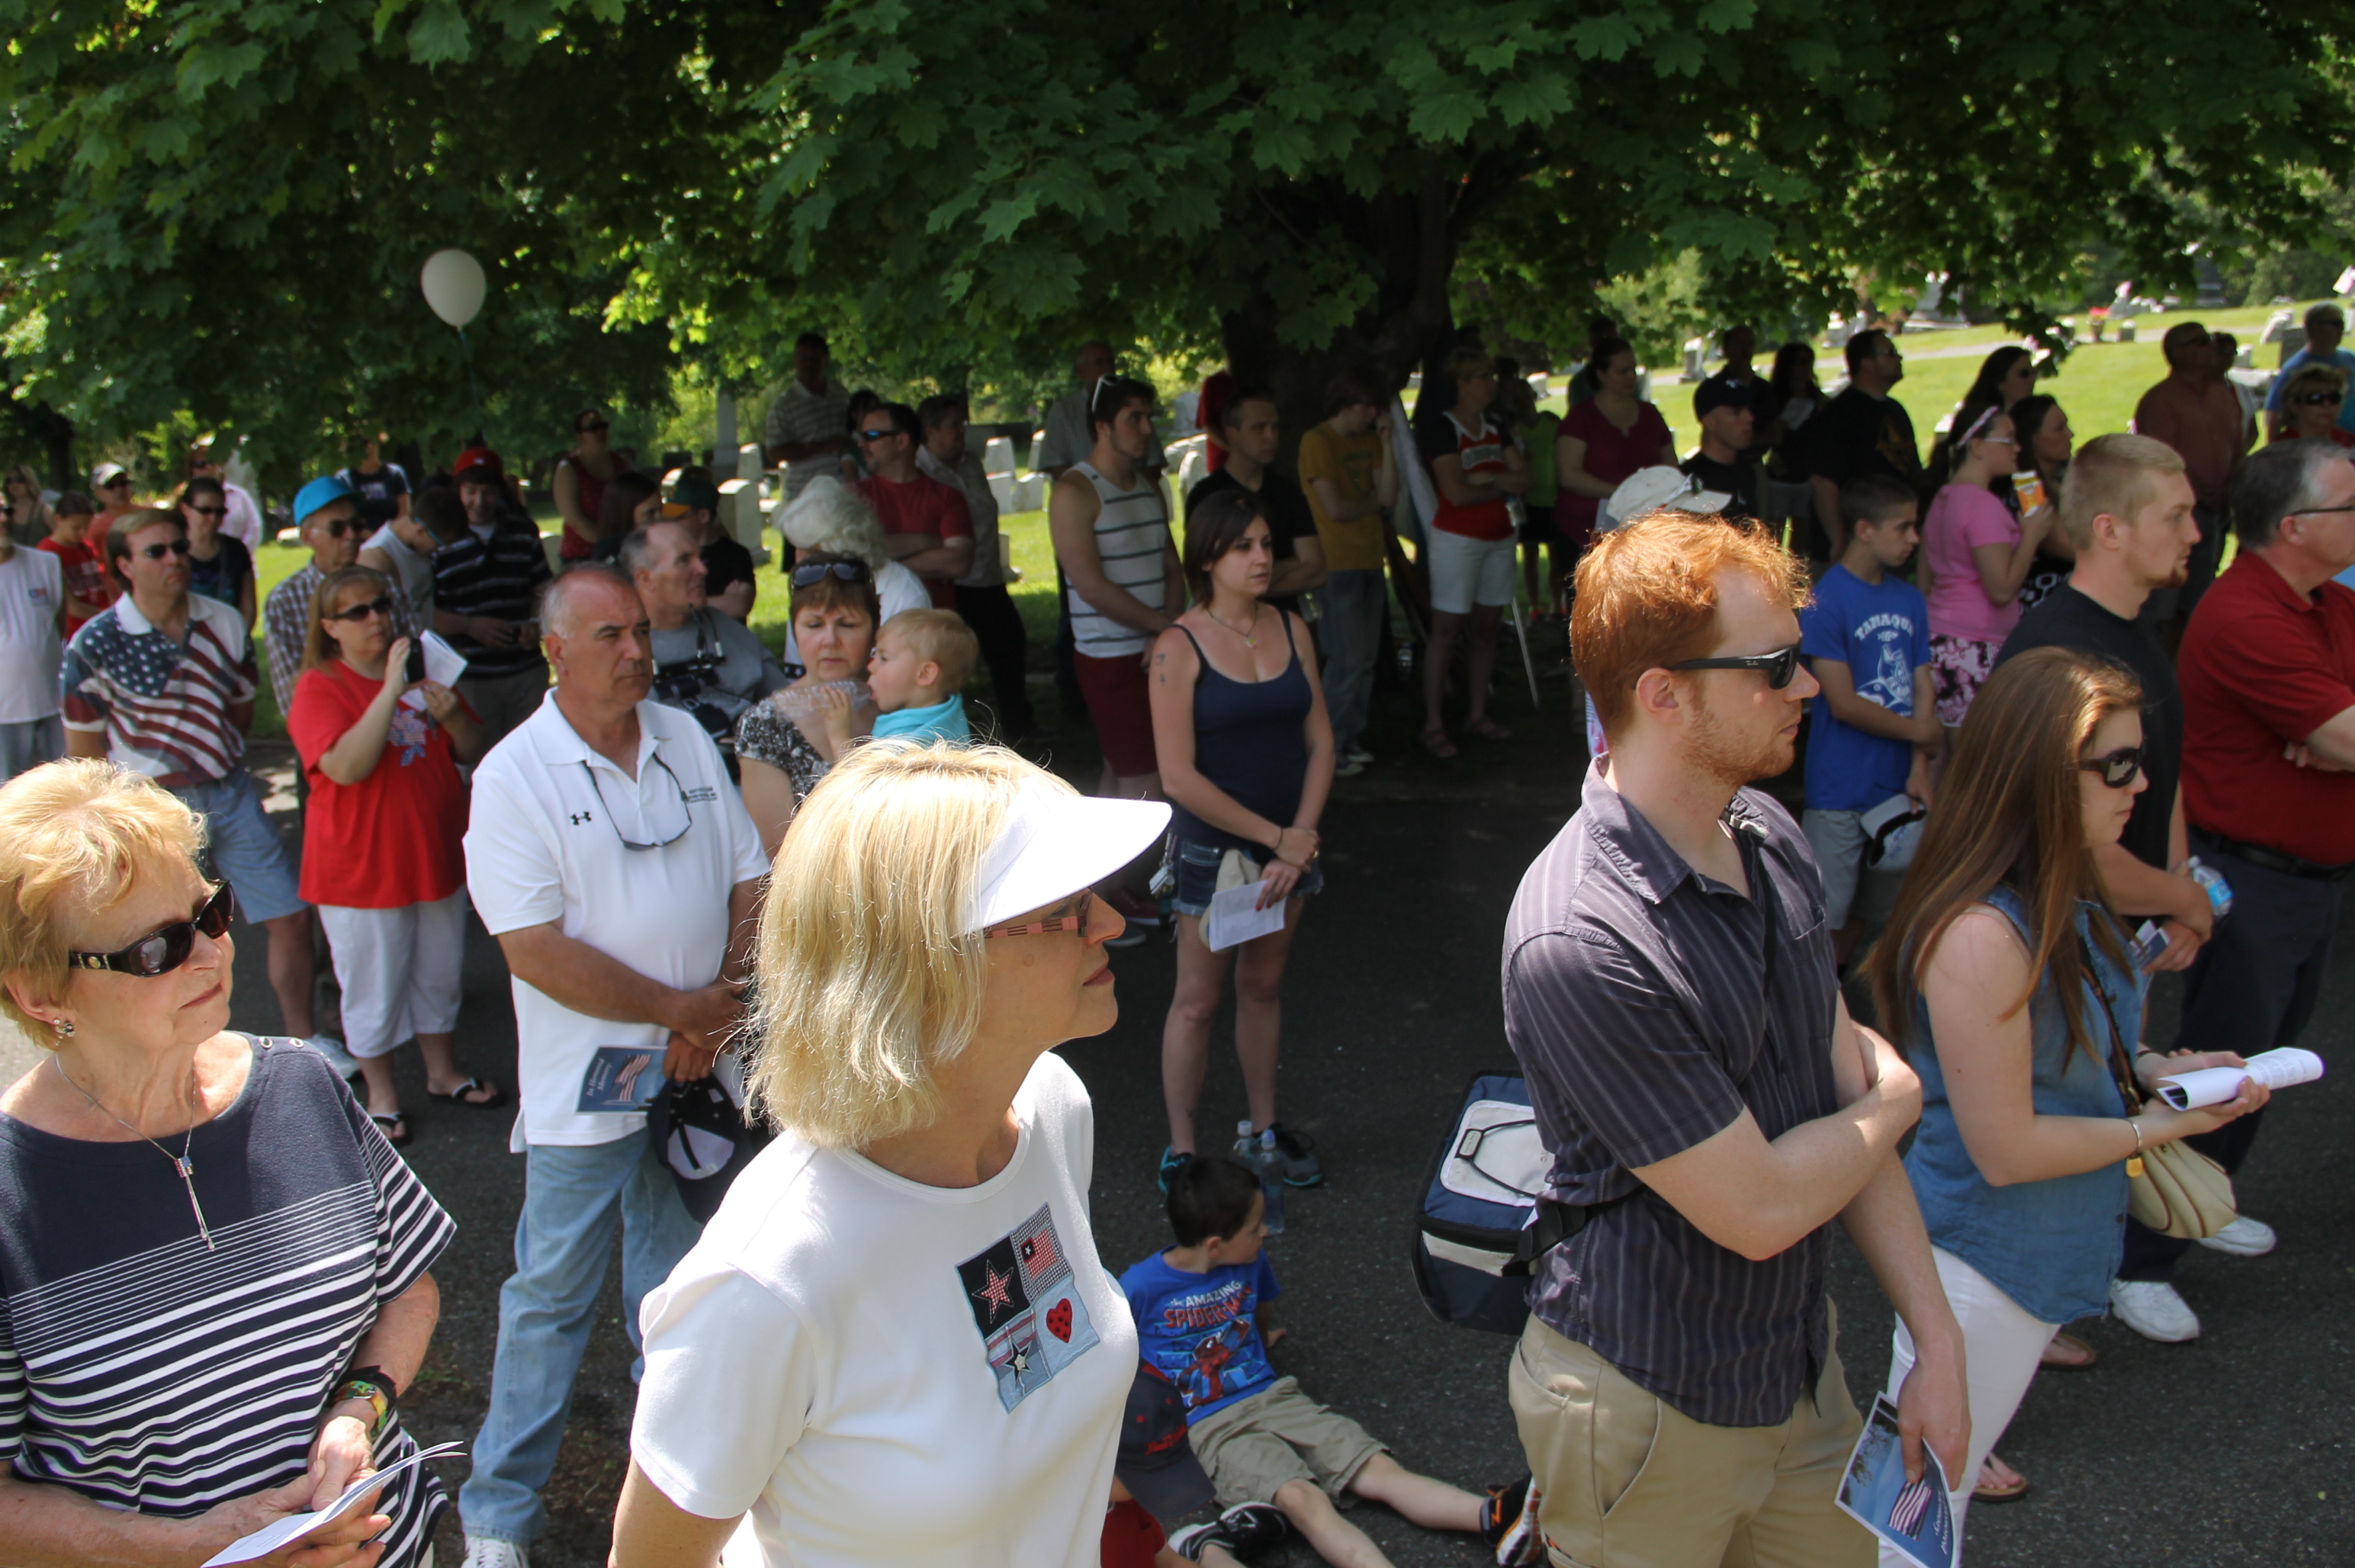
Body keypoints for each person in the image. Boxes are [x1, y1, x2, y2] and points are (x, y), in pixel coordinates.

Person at [1502, 512, 1968, 1567]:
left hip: (1799, 1371)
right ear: (1663, 695)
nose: (1807, 687)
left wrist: (1934, 1340)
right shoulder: (1580, 940)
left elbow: (1839, 1098)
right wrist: (1897, 1101)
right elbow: (1761, 1207)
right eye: (1773, 667)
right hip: (1647, 1408)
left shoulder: (1768, 835)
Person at [608, 744, 1170, 1568]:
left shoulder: (1052, 1108)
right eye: (1066, 907)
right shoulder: (764, 1281)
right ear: (925, 963)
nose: (1111, 924)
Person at [1863, 649, 2269, 1555]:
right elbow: (2005, 1148)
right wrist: (2161, 1124)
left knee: (1922, 1508)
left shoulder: (2058, 890)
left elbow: (2063, 1053)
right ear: (2040, 771)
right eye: (2115, 765)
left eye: (2139, 760)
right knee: (1910, 1525)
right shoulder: (1982, 932)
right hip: (1982, 1268)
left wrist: (2159, 1069)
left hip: (2024, 1257)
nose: (2141, 784)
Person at [0, 760, 455, 1568]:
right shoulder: (13, 1196)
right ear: (41, 994)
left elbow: (408, 1289)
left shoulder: (302, 1082)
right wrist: (189, 1548)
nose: (212, 954)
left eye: (210, 913)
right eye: (157, 949)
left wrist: (358, 1410)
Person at [457, 564, 766, 1568]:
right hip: (590, 1085)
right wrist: (679, 1010)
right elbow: (533, 950)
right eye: (610, 637)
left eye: (640, 631)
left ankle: (671, 1498)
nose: (637, 651)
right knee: (550, 1295)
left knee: (675, 1290)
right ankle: (498, 1517)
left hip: (695, 1071)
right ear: (555, 652)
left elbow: (751, 881)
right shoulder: (513, 777)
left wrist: (716, 1009)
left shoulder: (683, 737)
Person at [1990, 434, 2225, 1348]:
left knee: (2107, 1098)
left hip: (2121, 926)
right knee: (2047, 1118)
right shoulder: (2059, 652)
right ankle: (2016, 1314)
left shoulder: (2134, 632)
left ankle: (2072, 1280)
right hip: (2055, 932)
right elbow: (2071, 843)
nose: (2196, 534)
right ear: (2109, 528)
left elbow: (2157, 780)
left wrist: (2176, 888)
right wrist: (2182, 899)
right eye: (2176, 516)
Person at [2150, 439, 2355, 1340]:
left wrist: (2328, 734)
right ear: (2295, 526)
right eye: (2349, 506)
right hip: (2255, 882)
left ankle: (2204, 1200)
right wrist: (2331, 736)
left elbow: (2340, 733)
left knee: (2263, 1057)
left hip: (2306, 881)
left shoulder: (2325, 603)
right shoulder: (2244, 614)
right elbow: (2347, 737)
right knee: (2221, 1064)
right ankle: (2140, 1256)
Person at [1123, 1155, 1538, 1567]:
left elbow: (1260, 1314)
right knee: (1302, 1498)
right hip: (1209, 1425)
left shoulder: (1250, 1260)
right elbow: (1117, 1358)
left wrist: (1262, 1341)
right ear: (1216, 1245)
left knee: (1376, 1468)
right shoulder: (1140, 1287)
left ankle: (1492, 1517)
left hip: (1273, 1396)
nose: (1264, 1233)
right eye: (1254, 1229)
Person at [62, 509, 322, 1046]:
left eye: (178, 547)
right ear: (124, 565)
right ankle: (184, 1054)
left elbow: (241, 709)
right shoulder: (94, 642)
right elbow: (84, 752)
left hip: (230, 791)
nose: (174, 559)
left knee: (291, 915)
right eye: (156, 551)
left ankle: (304, 1041)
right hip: (152, 807)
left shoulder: (224, 621)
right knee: (167, 939)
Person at [1149, 489, 1335, 1193]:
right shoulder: (1178, 646)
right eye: (1243, 547)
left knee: (1263, 986)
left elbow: (1321, 743)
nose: (1262, 558)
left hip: (1290, 847)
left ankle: (1263, 1129)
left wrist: (1301, 838)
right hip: (1214, 851)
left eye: (1266, 544)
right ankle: (1182, 1151)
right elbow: (1177, 777)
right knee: (1197, 1000)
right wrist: (1278, 838)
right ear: (1207, 558)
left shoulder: (1292, 627)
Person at [288, 564, 498, 1147]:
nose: (375, 619)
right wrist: (387, 690)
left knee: (439, 973)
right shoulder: (320, 687)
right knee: (372, 987)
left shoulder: (424, 670)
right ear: (330, 626)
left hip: (431, 853)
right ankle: (381, 1095)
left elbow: (470, 747)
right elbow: (346, 767)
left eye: (381, 605)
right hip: (361, 868)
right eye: (357, 612)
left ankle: (442, 1072)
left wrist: (450, 715)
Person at [1799, 474, 1937, 964]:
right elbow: (1842, 702)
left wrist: (1919, 767)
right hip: (1839, 787)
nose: (1914, 539)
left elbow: (1922, 685)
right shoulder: (1827, 599)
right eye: (1903, 527)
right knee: (1824, 915)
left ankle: (1840, 988)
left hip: (1896, 786)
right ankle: (1821, 1000)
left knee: (1872, 912)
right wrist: (1922, 734)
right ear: (1864, 529)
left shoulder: (1909, 599)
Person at [1051, 375, 1183, 805]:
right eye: (1134, 418)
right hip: (1109, 659)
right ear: (1103, 426)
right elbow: (1090, 586)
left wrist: (1165, 632)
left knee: (1123, 770)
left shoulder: (1148, 487)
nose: (1147, 429)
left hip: (1156, 648)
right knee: (1145, 785)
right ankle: (1145, 856)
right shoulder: (1074, 491)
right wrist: (1165, 628)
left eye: (1149, 418)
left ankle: (1097, 855)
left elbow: (1172, 567)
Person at [1418, 346, 1532, 759]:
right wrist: (1499, 480)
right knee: (1447, 631)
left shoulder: (1496, 425)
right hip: (1458, 540)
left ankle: (1477, 713)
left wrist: (1487, 479)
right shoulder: (1442, 428)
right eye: (1482, 377)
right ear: (1462, 383)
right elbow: (1456, 492)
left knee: (1486, 628)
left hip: (1500, 537)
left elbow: (1526, 478)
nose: (1491, 384)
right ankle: (1433, 722)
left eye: (1491, 376)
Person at [735, 552, 882, 854]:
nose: (830, 640)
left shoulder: (897, 703)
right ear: (794, 630)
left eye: (848, 624)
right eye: (814, 625)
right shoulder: (765, 725)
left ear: (874, 630)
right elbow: (779, 850)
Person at [1922, 403, 2054, 736]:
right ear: (1978, 446)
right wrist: (2032, 536)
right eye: (2008, 439)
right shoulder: (1982, 505)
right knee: (1974, 750)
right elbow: (2001, 590)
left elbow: (1925, 575)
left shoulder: (1945, 496)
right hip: (1973, 645)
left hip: (1941, 637)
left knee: (1945, 752)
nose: (2017, 448)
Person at [1298, 370, 1399, 777]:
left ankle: (1348, 738)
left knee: (1366, 660)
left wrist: (1388, 443)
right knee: (1345, 661)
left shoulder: (1372, 441)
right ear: (1346, 404)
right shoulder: (1317, 442)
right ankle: (1327, 747)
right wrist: (1372, 503)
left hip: (1371, 559)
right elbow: (1335, 509)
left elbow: (1388, 496)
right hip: (1336, 565)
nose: (1373, 416)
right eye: (1367, 407)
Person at [919, 394, 1036, 738]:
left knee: (1010, 646)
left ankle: (1017, 725)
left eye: (962, 425)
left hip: (986, 573)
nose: (961, 432)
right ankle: (950, 733)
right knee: (948, 660)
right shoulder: (920, 470)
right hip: (950, 581)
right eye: (953, 426)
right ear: (930, 431)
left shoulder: (969, 462)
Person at [621, 519, 786, 757]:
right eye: (683, 561)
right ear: (646, 579)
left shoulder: (729, 632)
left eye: (699, 557)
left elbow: (788, 707)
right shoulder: (621, 651)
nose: (702, 570)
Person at [433, 451, 554, 756]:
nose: (479, 501)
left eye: (487, 492)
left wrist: (536, 623)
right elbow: (424, 612)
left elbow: (543, 588)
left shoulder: (523, 531)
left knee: (535, 757)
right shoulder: (439, 539)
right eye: (470, 492)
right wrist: (469, 626)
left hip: (525, 670)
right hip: (471, 677)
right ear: (458, 491)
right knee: (479, 762)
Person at [2132, 320, 2249, 616]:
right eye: (2201, 341)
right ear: (2178, 353)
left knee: (2202, 593)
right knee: (2167, 599)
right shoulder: (2160, 400)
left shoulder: (2222, 395)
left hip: (2218, 510)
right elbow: (2162, 459)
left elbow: (2238, 445)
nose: (2212, 347)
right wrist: (2203, 492)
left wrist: (2227, 488)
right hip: (2177, 514)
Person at [1186, 387, 1327, 618]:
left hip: (1285, 621)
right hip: (1227, 626)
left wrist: (1244, 587)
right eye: (1259, 428)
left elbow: (1317, 571)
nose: (1271, 436)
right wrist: (1290, 563)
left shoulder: (1288, 491)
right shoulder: (1206, 495)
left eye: (1275, 427)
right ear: (1232, 434)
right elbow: (1202, 577)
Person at [1553, 336, 1675, 561]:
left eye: (1633, 370)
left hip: (1643, 531)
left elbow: (1671, 468)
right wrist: (1624, 492)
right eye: (1623, 371)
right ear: (1601, 374)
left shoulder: (1650, 414)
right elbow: (1569, 476)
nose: (1631, 377)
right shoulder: (1580, 418)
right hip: (1584, 532)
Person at [1807, 329, 1922, 557]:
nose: (1899, 358)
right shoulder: (1839, 415)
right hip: (1857, 543)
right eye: (1890, 353)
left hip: (1894, 540)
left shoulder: (1896, 410)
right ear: (1866, 364)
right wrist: (1839, 540)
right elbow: (1823, 482)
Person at [853, 400, 976, 607]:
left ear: (901, 441)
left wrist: (876, 561)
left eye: (871, 436)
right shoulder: (852, 497)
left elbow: (959, 563)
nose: (861, 444)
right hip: (873, 622)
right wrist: (925, 541)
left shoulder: (947, 497)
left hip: (933, 622)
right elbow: (850, 554)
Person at [262, 476, 365, 715]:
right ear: (308, 537)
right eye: (337, 529)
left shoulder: (385, 587)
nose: (351, 535)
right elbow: (292, 696)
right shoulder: (284, 602)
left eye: (356, 525)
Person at [1036, 339, 1171, 480]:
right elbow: (1056, 466)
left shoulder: (1132, 408)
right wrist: (1096, 487)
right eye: (1099, 363)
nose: (1107, 368)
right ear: (1081, 370)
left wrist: (1132, 487)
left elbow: (1154, 463)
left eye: (1110, 362)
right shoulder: (1064, 412)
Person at [0, 512, 65, 779]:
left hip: (55, 703)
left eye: (6, 511)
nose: (3, 519)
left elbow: (60, 620)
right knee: (8, 792)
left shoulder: (46, 562)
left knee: (65, 787)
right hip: (4, 714)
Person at [361, 479, 466, 640]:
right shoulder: (378, 559)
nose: (438, 550)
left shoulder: (418, 546)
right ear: (420, 530)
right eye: (439, 544)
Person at [1924, 347, 2037, 488]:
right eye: (2024, 374)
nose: (2032, 379)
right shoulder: (1980, 420)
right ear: (2000, 382)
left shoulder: (2032, 418)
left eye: (2034, 372)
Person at [763, 330, 855, 503]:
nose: (809, 364)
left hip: (841, 491)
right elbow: (774, 452)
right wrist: (820, 446)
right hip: (803, 494)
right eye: (803, 358)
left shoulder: (841, 394)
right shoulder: (784, 405)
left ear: (826, 360)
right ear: (795, 360)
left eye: (815, 358)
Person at [2008, 394, 2078, 610]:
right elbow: (2064, 544)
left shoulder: (2067, 477)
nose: (2070, 434)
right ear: (2032, 438)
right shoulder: (2026, 487)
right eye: (2059, 428)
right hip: (2045, 603)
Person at [869, 606, 978, 744]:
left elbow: (863, 761)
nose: (870, 667)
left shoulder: (910, 744)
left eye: (884, 658)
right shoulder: (950, 715)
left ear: (925, 674)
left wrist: (842, 735)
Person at [663, 470, 757, 622]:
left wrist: (685, 604)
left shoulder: (735, 554)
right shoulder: (666, 553)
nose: (670, 523)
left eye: (678, 517)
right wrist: (721, 602)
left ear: (703, 516)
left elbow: (740, 605)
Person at [551, 406, 635, 566]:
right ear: (579, 436)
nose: (600, 431)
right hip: (581, 558)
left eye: (603, 426)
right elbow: (576, 521)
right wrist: (610, 544)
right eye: (593, 427)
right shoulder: (568, 469)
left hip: (622, 553)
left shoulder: (623, 464)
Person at [2262, 301, 2355, 439]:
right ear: (2316, 327)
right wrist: (2275, 449)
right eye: (2336, 324)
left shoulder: (2350, 358)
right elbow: (2274, 416)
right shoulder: (2294, 370)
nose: (2342, 329)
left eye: (2342, 324)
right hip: (2315, 445)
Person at [178, 474, 256, 630]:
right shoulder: (173, 550)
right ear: (185, 509)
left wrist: (237, 639)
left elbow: (248, 609)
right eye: (205, 510)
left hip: (228, 636)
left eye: (220, 512)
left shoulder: (236, 551)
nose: (213, 518)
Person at [1683, 373, 1761, 522]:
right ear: (1711, 422)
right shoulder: (1689, 482)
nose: (1750, 418)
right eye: (1736, 412)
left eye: (1749, 409)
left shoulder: (1746, 470)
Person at [37, 490, 111, 641]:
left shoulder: (86, 548)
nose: (82, 533)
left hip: (98, 627)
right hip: (75, 633)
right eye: (76, 527)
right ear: (58, 518)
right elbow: (72, 607)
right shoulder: (47, 553)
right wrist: (110, 617)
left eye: (87, 526)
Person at [186, 441, 264, 553]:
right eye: (200, 464)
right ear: (192, 469)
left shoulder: (239, 495)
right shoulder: (185, 499)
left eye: (211, 462)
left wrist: (238, 554)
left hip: (239, 558)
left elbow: (255, 528)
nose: (208, 467)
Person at [339, 429, 413, 529]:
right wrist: (367, 535)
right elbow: (344, 516)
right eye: (363, 443)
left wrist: (388, 535)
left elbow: (405, 513)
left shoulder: (395, 473)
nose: (369, 447)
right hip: (358, 536)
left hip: (393, 534)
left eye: (371, 441)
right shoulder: (344, 478)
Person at [2271, 361, 2355, 448]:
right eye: (2315, 398)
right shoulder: (2280, 451)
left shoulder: (2350, 444)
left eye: (2334, 398)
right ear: (2294, 406)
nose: (2326, 405)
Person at [590, 469, 663, 564]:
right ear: (625, 515)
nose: (660, 519)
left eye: (661, 511)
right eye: (650, 514)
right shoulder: (609, 557)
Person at [1563, 315, 1618, 406]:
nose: (1612, 345)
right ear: (1593, 343)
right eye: (1606, 339)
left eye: (1615, 340)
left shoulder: (1627, 379)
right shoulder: (1579, 383)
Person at [4, 464, 52, 547]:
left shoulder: (44, 510)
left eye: (19, 480)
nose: (13, 484)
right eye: (8, 481)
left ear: (29, 482)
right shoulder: (5, 513)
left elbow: (61, 539)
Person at [91, 461, 139, 530]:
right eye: (110, 485)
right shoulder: (96, 528)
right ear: (98, 493)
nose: (119, 489)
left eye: (123, 483)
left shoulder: (149, 516)